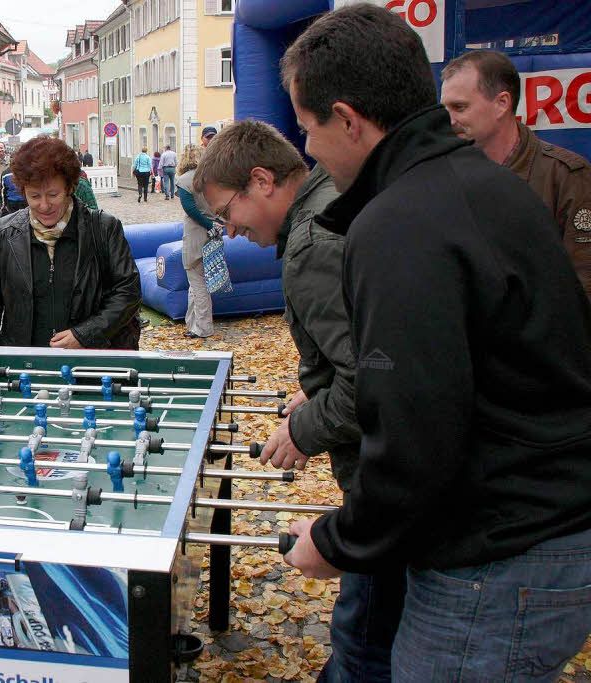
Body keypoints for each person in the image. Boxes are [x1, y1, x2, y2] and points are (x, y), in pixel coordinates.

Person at [279, 6, 591, 680]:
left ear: (349, 119)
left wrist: (336, 540)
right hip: (550, 533)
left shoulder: (400, 223)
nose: (308, 150)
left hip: (495, 562)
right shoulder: (486, 189)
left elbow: (415, 426)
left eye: (308, 128)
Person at [195, 120, 407, 681]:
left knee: (361, 645)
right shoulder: (340, 202)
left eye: (227, 212)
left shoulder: (310, 246)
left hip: (386, 481)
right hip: (408, 475)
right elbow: (369, 349)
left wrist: (306, 427)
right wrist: (313, 392)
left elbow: (374, 383)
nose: (230, 232)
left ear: (261, 181)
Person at [0, 135, 142, 363]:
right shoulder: (5, 231)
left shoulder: (103, 228)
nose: (44, 205)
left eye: (52, 194)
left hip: (91, 365)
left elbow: (128, 291)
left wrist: (85, 334)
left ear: (69, 188)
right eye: (34, 196)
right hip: (25, 363)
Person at [440, 49, 591, 299]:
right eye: (444, 108)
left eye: (459, 107)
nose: (448, 120)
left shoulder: (565, 176)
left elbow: (584, 284)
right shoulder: (441, 175)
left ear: (501, 104)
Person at [174, 145, 215, 339]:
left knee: (197, 282)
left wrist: (207, 224)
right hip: (212, 233)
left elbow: (190, 209)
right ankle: (192, 323)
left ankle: (203, 327)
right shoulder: (210, 179)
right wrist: (215, 225)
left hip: (196, 233)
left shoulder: (184, 180)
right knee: (199, 282)